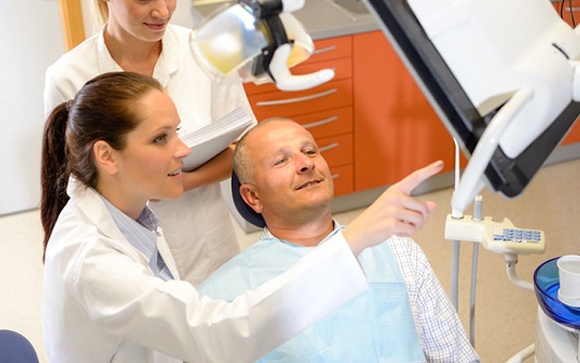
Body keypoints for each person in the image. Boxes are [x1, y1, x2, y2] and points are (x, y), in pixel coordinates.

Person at [41, 72, 446, 362]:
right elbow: (218, 333)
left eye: (177, 131)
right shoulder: (93, 259)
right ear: (106, 156)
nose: (183, 149)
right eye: (161, 138)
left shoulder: (133, 216)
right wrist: (354, 238)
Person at [43, 0, 255, 286]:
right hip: (123, 258)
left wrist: (183, 182)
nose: (162, 10)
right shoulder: (69, 77)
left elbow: (245, 151)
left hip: (208, 246)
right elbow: (73, 187)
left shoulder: (205, 52)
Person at [198, 117, 481, 362]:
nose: (306, 163)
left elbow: (455, 357)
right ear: (253, 197)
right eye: (281, 160)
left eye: (309, 150)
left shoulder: (397, 251)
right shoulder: (223, 295)